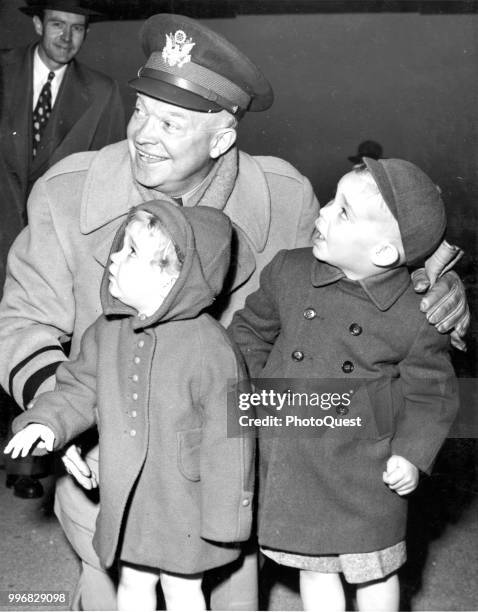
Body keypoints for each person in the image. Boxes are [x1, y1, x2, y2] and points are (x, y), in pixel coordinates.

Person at [0, 12, 468, 611]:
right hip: (114, 454)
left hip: (234, 457)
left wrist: (427, 281)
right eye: (142, 109)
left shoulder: (283, 196)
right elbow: (23, 322)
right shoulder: (66, 194)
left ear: (222, 138)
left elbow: (358, 270)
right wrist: (63, 414)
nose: (142, 132)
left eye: (171, 122)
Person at [229, 157, 460, 612]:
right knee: (313, 565)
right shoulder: (288, 272)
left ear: (383, 254)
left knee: (373, 568)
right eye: (332, 199)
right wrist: (255, 397)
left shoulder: (416, 315)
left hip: (364, 465)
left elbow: (430, 393)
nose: (323, 212)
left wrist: (411, 455)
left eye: (343, 212)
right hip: (295, 453)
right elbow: (249, 333)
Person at [5, 201, 255, 611]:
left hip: (184, 500)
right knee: (133, 582)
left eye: (132, 252)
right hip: (128, 495)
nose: (113, 257)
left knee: (182, 590)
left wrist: (227, 516)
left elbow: (233, 441)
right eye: (120, 247)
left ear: (174, 279)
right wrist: (47, 423)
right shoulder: (106, 331)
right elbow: (77, 386)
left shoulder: (212, 349)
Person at [0, 0, 125, 499]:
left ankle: (30, 465)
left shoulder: (105, 93)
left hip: (53, 248)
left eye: (78, 29)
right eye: (57, 26)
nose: (66, 38)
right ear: (36, 24)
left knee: (39, 339)